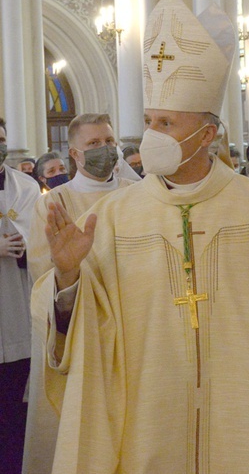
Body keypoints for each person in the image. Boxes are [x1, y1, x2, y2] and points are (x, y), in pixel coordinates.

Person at [31, 0, 249, 473]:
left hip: (244, 420)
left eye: (166, 123)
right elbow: (83, 340)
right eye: (149, 121)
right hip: (148, 422)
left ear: (206, 135)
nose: (150, 134)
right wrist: (67, 277)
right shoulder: (114, 217)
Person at [23, 113, 137, 474]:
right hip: (82, 336)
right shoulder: (54, 203)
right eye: (93, 144)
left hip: (136, 330)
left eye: (108, 141)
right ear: (74, 153)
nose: (105, 150)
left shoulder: (137, 197)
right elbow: (44, 281)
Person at [0, 116, 40, 473]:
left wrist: (22, 243)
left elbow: (36, 235)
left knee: (14, 413)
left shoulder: (25, 186)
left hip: (14, 312)